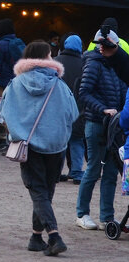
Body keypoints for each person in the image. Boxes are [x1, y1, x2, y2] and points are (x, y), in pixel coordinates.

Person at [1, 40, 79, 256]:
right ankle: (37, 237)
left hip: (27, 145)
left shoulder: (14, 85)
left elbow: (3, 112)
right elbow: (73, 114)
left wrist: (16, 131)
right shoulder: (59, 85)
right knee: (46, 190)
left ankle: (52, 236)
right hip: (56, 145)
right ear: (45, 58)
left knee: (38, 191)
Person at [75, 29, 129, 231]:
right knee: (93, 169)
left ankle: (107, 216)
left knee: (111, 172)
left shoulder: (117, 66)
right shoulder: (93, 64)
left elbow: (124, 91)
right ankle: (82, 214)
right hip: (97, 123)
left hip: (114, 126)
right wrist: (103, 109)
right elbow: (84, 93)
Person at [56, 34, 86, 182]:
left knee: (61, 142)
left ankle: (56, 172)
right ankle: (76, 172)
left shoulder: (56, 62)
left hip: (59, 108)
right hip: (78, 108)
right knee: (77, 141)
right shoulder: (83, 63)